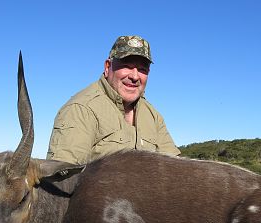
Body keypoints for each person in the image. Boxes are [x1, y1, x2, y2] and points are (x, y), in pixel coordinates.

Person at [47, 35, 180, 164]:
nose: (134, 76)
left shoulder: (153, 116)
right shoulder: (81, 109)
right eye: (127, 66)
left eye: (142, 69)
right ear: (107, 67)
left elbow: (176, 167)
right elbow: (62, 180)